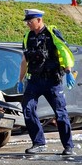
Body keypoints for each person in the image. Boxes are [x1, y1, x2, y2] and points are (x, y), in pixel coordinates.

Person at [18, 9, 76, 155]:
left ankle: (68, 146)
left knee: (60, 113)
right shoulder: (28, 37)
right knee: (28, 109)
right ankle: (38, 143)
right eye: (27, 22)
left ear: (39, 20)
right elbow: (25, 60)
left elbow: (64, 51)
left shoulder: (52, 33)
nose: (28, 25)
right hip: (35, 80)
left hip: (52, 81)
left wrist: (68, 71)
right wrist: (20, 80)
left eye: (30, 22)